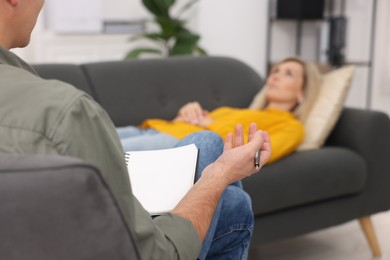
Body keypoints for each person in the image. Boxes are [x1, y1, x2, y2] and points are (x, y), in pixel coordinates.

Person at [0, 1, 271, 259]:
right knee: (228, 188)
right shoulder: (63, 110)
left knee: (225, 184)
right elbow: (151, 255)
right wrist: (221, 173)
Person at [117, 57, 322, 164]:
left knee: (98, 151)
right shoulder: (241, 112)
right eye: (275, 70)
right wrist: (185, 114)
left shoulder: (291, 126)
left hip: (176, 143)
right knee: (89, 133)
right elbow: (192, 124)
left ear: (302, 92)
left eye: (288, 74)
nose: (275, 76)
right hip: (153, 128)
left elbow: (258, 156)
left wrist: (209, 126)